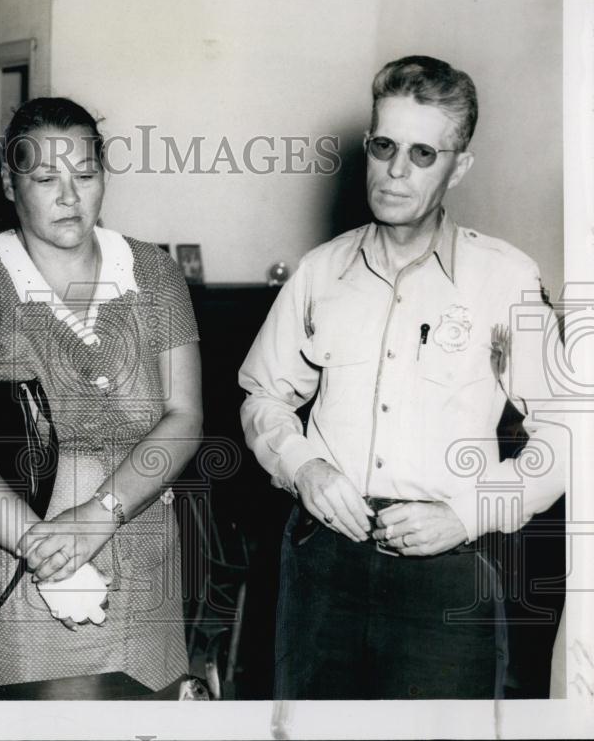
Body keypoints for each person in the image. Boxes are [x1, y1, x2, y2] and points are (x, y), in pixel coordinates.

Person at [238, 55, 565, 699]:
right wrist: (303, 465)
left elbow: (568, 437)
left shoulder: (504, 280)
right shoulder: (319, 272)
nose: (395, 171)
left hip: (445, 569)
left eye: (423, 153)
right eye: (384, 145)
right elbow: (263, 394)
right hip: (321, 562)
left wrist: (466, 515)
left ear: (459, 166)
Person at [0, 97, 202, 693]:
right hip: (6, 569)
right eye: (45, 178)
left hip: (138, 563)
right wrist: (43, 549)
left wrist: (100, 514)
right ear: (11, 186)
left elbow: (185, 416)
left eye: (85, 175)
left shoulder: (154, 273)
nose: (69, 196)